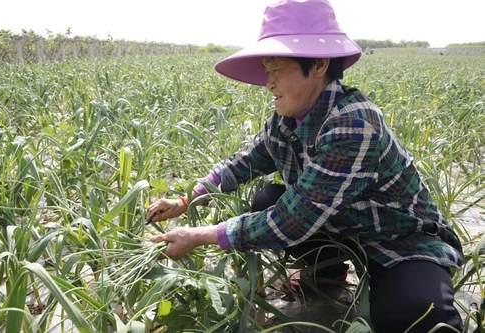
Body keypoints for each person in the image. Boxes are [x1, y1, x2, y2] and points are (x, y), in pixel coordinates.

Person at [146, 0, 464, 332]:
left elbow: (292, 221)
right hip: (342, 227)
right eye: (266, 71)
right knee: (267, 198)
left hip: (398, 241)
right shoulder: (288, 120)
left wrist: (198, 236)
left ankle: (403, 288)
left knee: (417, 314)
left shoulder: (353, 124)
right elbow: (244, 163)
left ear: (318, 65)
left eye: (276, 69)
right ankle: (327, 274)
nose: (268, 83)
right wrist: (186, 200)